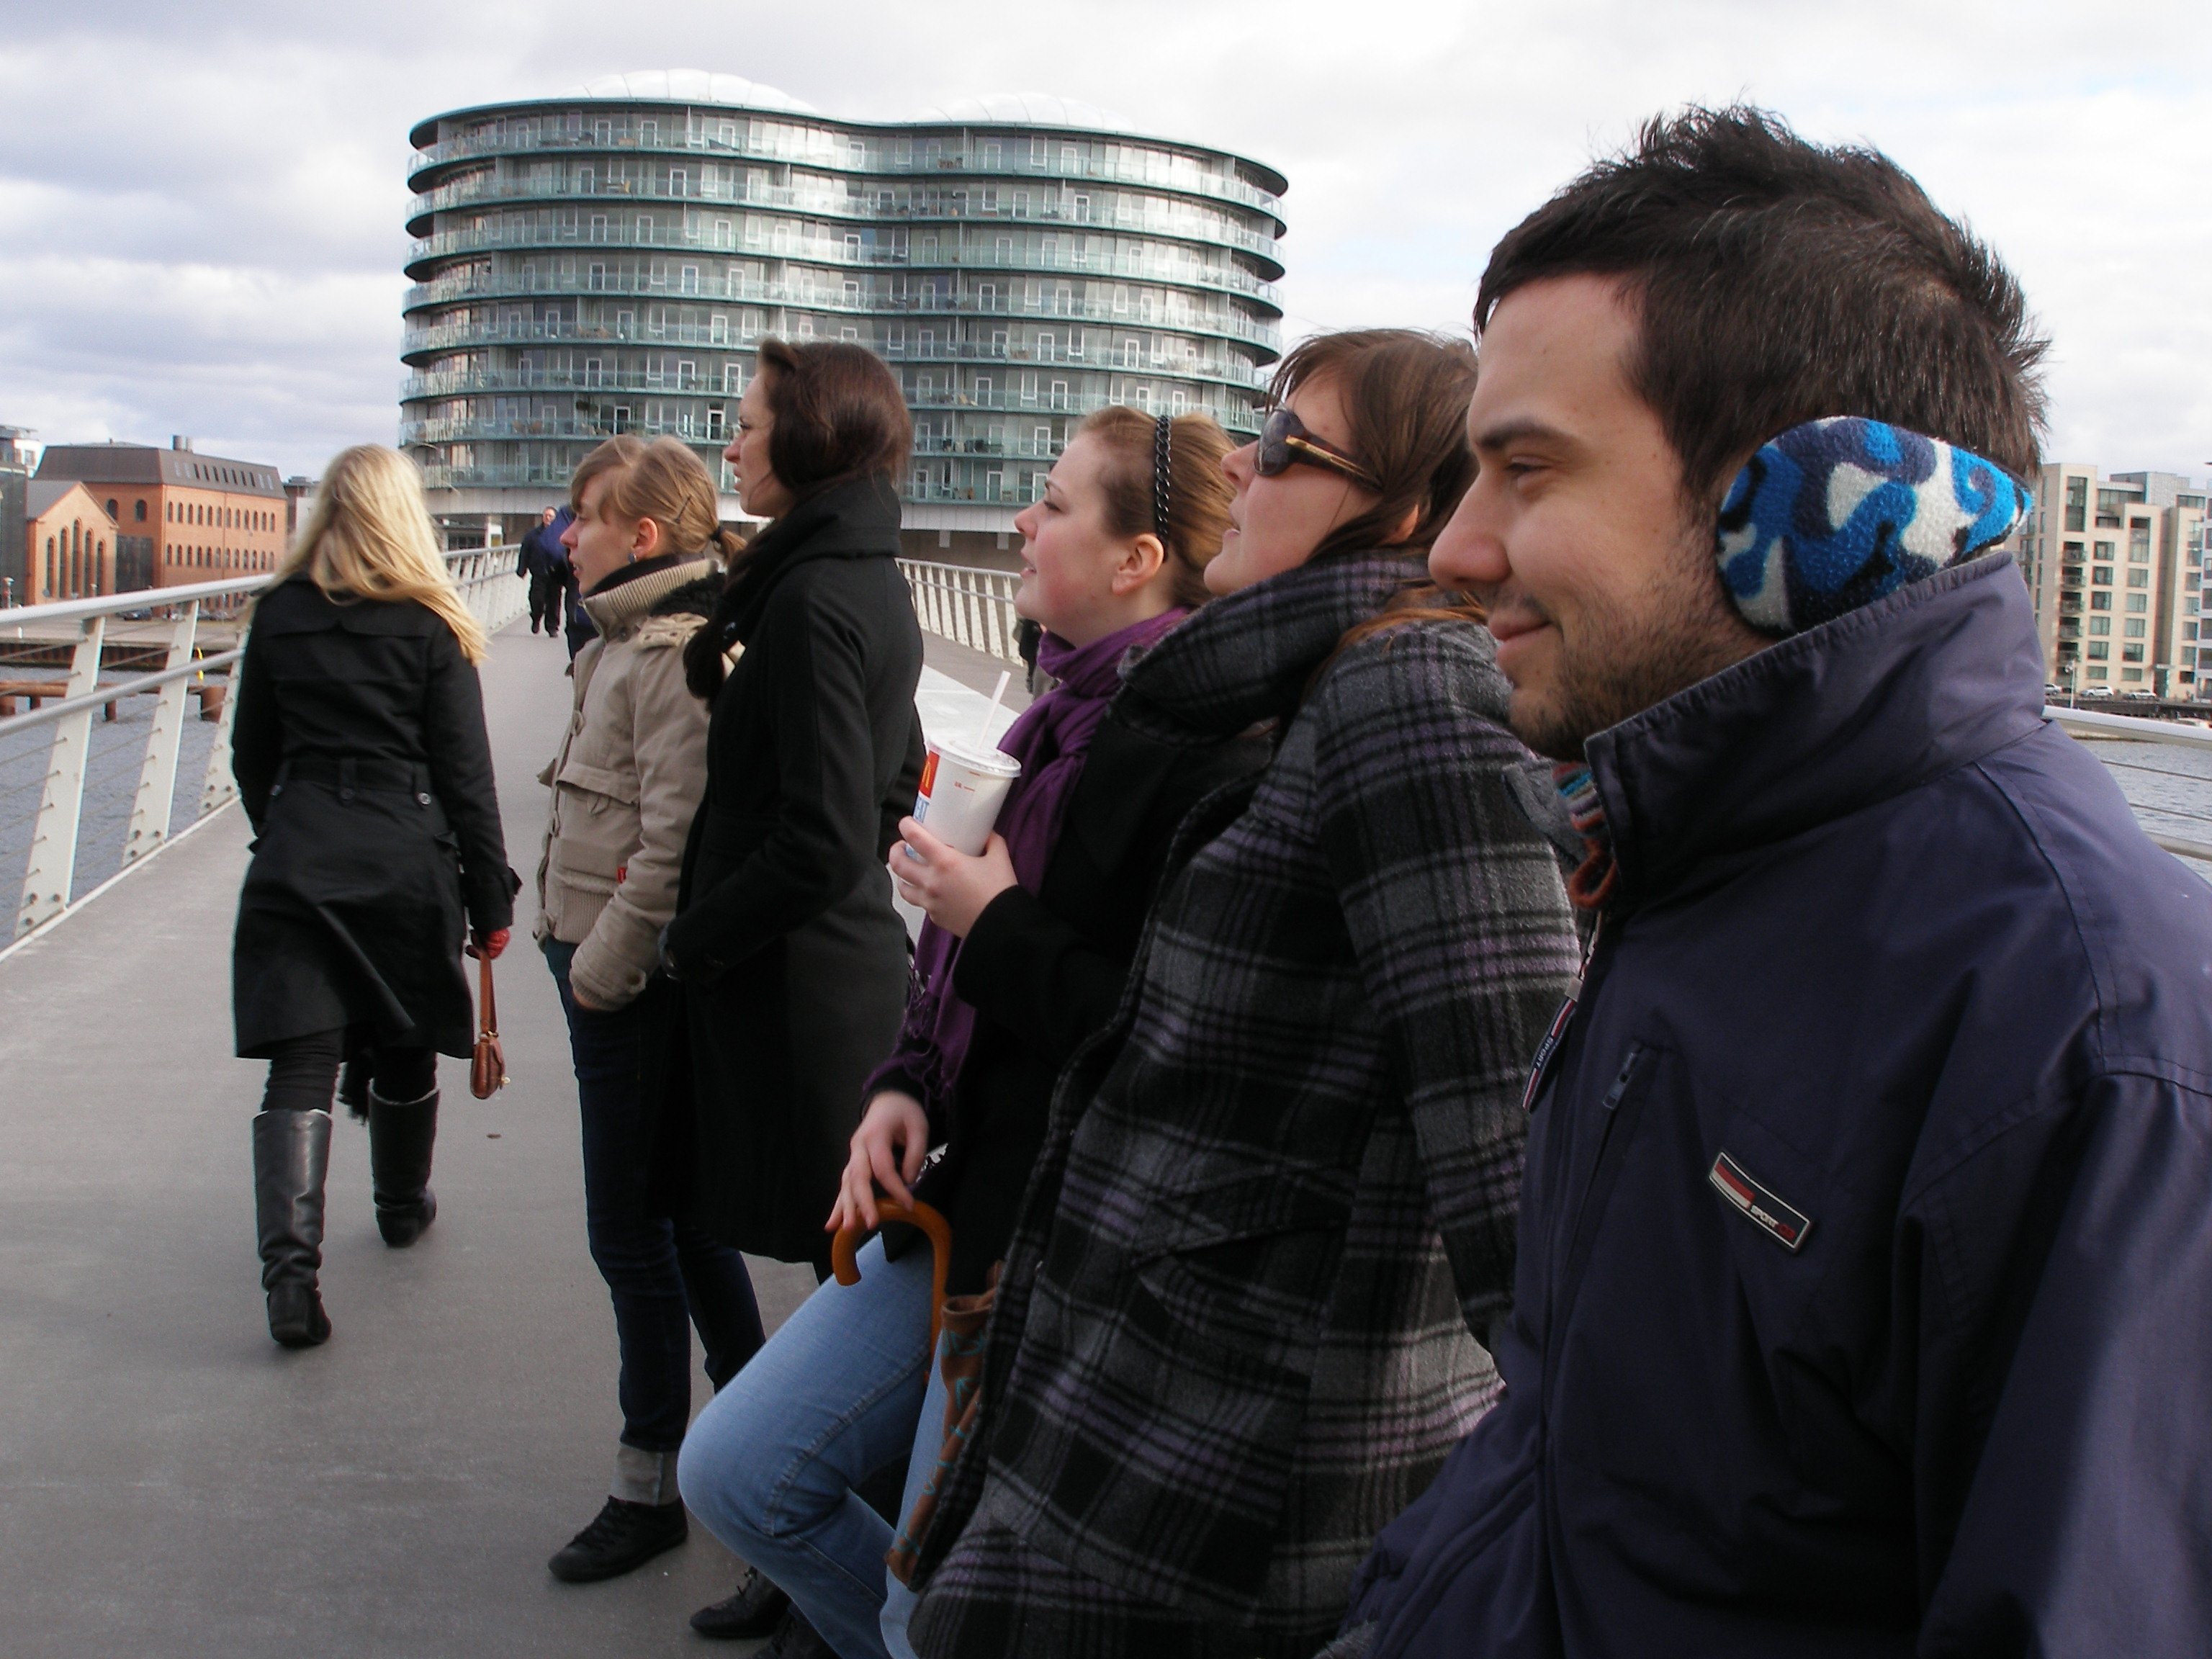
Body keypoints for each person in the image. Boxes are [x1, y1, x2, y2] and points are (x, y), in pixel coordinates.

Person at [1334, 107, 2212, 1659]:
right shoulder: (1691, 875)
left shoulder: (2090, 1038)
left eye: (1524, 468)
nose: (1454, 549)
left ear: (1811, 508)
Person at [903, 331, 1581, 1659]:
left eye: (1281, 446)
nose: (1232, 466)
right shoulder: (1328, 686)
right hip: (1177, 1416)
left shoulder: (1414, 701)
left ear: (1398, 512)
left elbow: (1517, 1171)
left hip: (1228, 1481)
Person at [676, 409, 1269, 1659]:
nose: (1021, 520)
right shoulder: (1047, 727)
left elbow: (1167, 1039)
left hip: (1054, 1241)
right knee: (735, 1470)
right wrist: (905, 1085)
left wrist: (989, 919)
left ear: (1136, 559)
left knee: (924, 1601)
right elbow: (956, 977)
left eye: (1053, 503)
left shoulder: (1205, 761)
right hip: (968, 1188)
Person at [647, 339, 922, 1637]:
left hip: (802, 996)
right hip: (836, 975)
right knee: (839, 1275)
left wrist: (692, 939)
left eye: (749, 422)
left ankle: (820, 1581)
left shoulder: (810, 599)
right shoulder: (863, 578)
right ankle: (811, 1570)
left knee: (840, 1289)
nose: (734, 442)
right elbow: (890, 782)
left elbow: (816, 835)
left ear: (808, 438)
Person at [530, 436, 770, 1584]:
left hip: (621, 985)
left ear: (644, 534)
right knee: (680, 1217)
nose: (566, 536)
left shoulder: (672, 658)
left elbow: (672, 844)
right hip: (603, 970)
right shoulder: (622, 644)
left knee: (630, 1231)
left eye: (585, 516)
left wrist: (602, 967)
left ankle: (649, 1489)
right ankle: (757, 1442)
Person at [231, 444, 516, 1349]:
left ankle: (290, 1280)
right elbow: (467, 779)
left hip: (299, 856)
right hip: (405, 860)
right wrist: (491, 901)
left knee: (302, 1061)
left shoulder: (279, 612)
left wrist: (285, 825)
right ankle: (400, 1206)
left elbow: (250, 754)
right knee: (404, 1039)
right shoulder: (432, 624)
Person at [518, 505, 567, 638]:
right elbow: (525, 552)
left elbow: (567, 553)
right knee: (537, 599)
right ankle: (536, 617)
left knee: (554, 602)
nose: (548, 518)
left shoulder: (562, 536)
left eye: (551, 516)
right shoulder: (532, 536)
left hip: (556, 573)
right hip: (539, 573)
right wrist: (522, 569)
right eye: (546, 516)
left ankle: (552, 627)